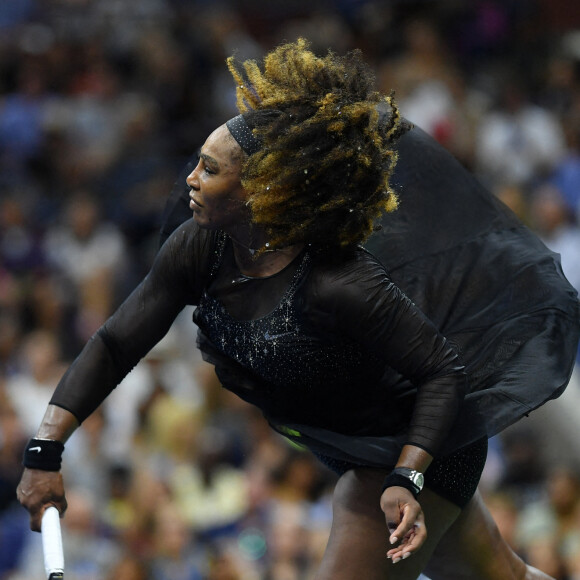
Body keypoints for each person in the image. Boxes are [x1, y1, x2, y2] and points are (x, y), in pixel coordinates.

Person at [17, 39, 580, 579]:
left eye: (211, 170)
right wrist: (46, 448)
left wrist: (407, 477)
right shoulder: (199, 246)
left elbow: (441, 372)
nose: (190, 180)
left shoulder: (340, 281)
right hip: (348, 444)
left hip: (415, 445)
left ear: (262, 192)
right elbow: (117, 342)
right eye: (197, 162)